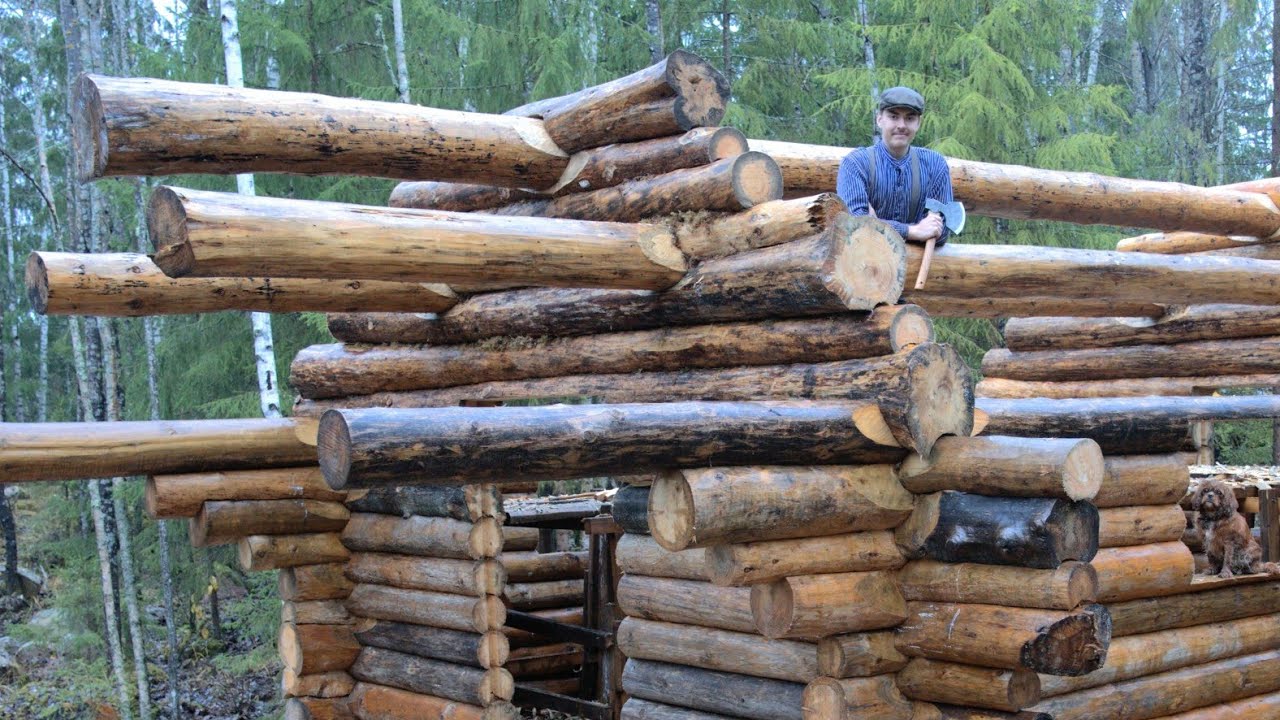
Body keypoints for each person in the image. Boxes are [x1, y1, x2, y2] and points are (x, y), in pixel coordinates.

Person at [836, 86, 953, 245]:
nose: (902, 125)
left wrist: (876, 223)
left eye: (910, 118)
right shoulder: (856, 164)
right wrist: (914, 231)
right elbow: (855, 225)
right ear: (879, 119)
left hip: (918, 267)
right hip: (862, 267)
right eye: (893, 116)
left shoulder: (935, 165)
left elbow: (943, 231)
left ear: (918, 123)